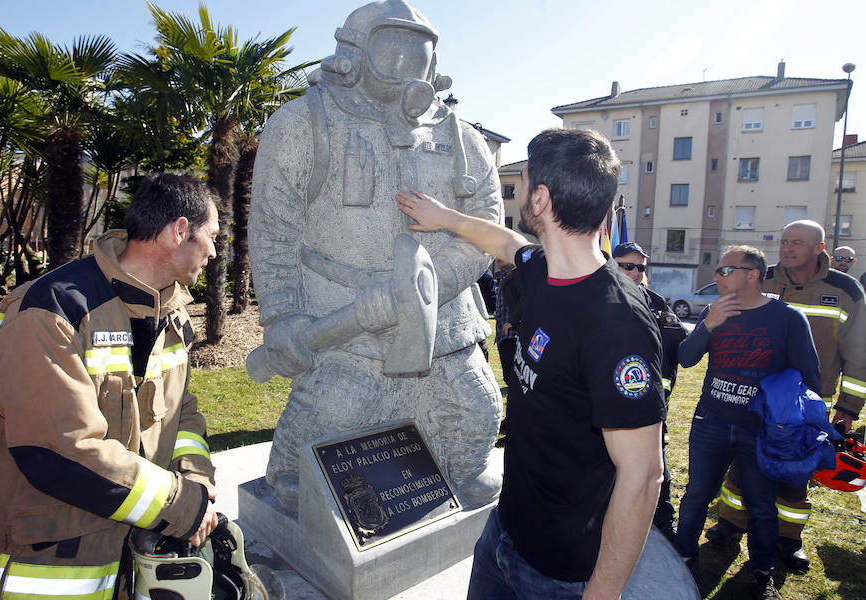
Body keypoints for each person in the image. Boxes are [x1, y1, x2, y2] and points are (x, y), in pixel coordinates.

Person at [246, 0, 503, 516]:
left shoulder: (461, 137)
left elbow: (487, 226)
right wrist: (283, 315)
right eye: (393, 50)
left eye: (420, 53)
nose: (408, 67)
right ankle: (295, 476)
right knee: (339, 413)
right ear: (355, 52)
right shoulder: (304, 123)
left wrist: (430, 286)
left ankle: (449, 468)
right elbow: (274, 229)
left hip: (446, 327)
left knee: (476, 414)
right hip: (342, 321)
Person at [397, 127, 665, 599]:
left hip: (560, 572)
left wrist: (602, 593)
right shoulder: (541, 268)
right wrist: (442, 217)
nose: (516, 190)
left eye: (521, 180)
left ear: (539, 199)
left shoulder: (618, 324)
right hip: (504, 531)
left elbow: (643, 474)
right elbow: (502, 242)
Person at [0, 173, 221, 599]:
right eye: (211, 237)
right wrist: (181, 505)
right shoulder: (51, 311)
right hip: (53, 570)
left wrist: (195, 477)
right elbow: (60, 450)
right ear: (179, 231)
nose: (214, 253)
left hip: (129, 562)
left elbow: (182, 410)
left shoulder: (171, 312)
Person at [705, 221, 866, 572]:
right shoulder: (759, 277)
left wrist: (848, 407)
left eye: (797, 243)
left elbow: (858, 354)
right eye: (784, 241)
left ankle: (788, 539)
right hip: (753, 396)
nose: (787, 248)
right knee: (741, 468)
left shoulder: (845, 291)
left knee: (795, 474)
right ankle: (730, 524)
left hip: (806, 402)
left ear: (819, 248)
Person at [674, 245, 821, 600]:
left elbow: (810, 378)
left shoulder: (787, 318)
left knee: (760, 504)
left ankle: (761, 573)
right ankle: (684, 558)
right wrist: (708, 325)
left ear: (753, 274)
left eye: (725, 270)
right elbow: (686, 358)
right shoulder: (714, 311)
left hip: (760, 431)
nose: (716, 276)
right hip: (711, 421)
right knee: (696, 495)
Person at [614, 241, 688, 539]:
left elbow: (678, 345)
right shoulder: (593, 299)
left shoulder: (656, 303)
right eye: (627, 265)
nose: (634, 272)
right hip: (605, 402)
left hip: (648, 400)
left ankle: (662, 520)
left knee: (655, 460)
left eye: (640, 267)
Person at [492, 257, 522, 390]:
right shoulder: (502, 277)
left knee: (512, 372)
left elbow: (525, 299)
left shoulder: (517, 275)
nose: (498, 257)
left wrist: (512, 321)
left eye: (502, 254)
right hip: (502, 332)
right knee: (507, 372)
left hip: (512, 332)